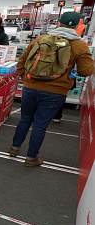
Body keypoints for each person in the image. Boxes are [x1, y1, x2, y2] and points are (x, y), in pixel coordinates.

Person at [9, 12, 94, 166]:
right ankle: (30, 158)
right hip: (56, 91)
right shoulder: (80, 45)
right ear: (76, 26)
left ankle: (14, 149)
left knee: (25, 119)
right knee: (40, 124)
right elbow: (86, 71)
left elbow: (21, 62)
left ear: (59, 23)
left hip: (31, 86)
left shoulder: (41, 39)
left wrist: (26, 80)